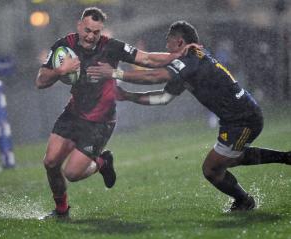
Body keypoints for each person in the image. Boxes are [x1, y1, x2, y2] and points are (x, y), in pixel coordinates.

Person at [87, 20, 291, 211]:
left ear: (180, 41)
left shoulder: (190, 60)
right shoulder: (189, 60)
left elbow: (154, 75)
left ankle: (244, 201)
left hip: (243, 119)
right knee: (227, 161)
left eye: (168, 41)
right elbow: (163, 97)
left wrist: (115, 73)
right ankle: (282, 161)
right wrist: (127, 96)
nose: (166, 47)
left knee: (212, 169)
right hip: (236, 119)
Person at [35, 8, 194, 219]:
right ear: (79, 25)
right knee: (50, 163)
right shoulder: (64, 46)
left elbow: (146, 59)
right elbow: (40, 81)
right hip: (73, 114)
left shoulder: (111, 47)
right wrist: (60, 71)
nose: (91, 36)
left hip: (100, 123)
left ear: (102, 31)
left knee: (72, 174)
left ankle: (102, 162)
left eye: (96, 32)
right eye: (88, 30)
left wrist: (177, 55)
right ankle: (61, 211)